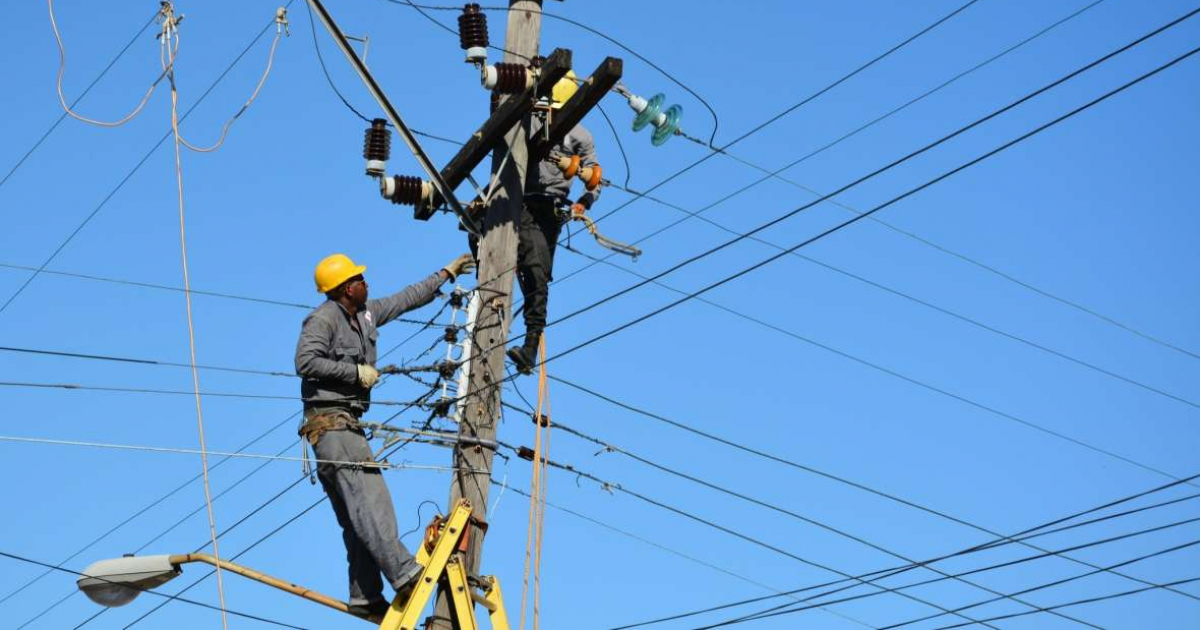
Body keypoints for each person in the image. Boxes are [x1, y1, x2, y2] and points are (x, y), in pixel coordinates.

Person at [294, 251, 475, 618]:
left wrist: (444, 273)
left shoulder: (365, 313)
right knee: (371, 502)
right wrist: (355, 374)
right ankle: (405, 574)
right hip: (332, 425)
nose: (366, 282)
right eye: (359, 279)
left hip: (345, 425)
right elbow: (305, 362)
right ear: (346, 289)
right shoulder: (323, 319)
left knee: (356, 516)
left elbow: (405, 299)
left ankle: (365, 595)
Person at [504, 70, 602, 374]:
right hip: (521, 200)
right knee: (518, 262)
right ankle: (517, 332)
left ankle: (531, 345)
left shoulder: (581, 136)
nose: (554, 115)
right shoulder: (529, 121)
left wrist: (583, 203)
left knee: (537, 273)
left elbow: (595, 178)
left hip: (551, 209)